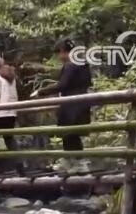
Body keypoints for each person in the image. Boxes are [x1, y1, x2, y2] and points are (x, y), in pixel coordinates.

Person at [34, 38, 93, 174]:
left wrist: (41, 91)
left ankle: (79, 163)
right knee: (70, 134)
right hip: (82, 104)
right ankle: (69, 161)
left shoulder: (70, 65)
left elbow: (62, 85)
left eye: (59, 53)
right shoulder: (83, 64)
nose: (59, 57)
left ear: (63, 51)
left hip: (71, 106)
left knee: (70, 134)